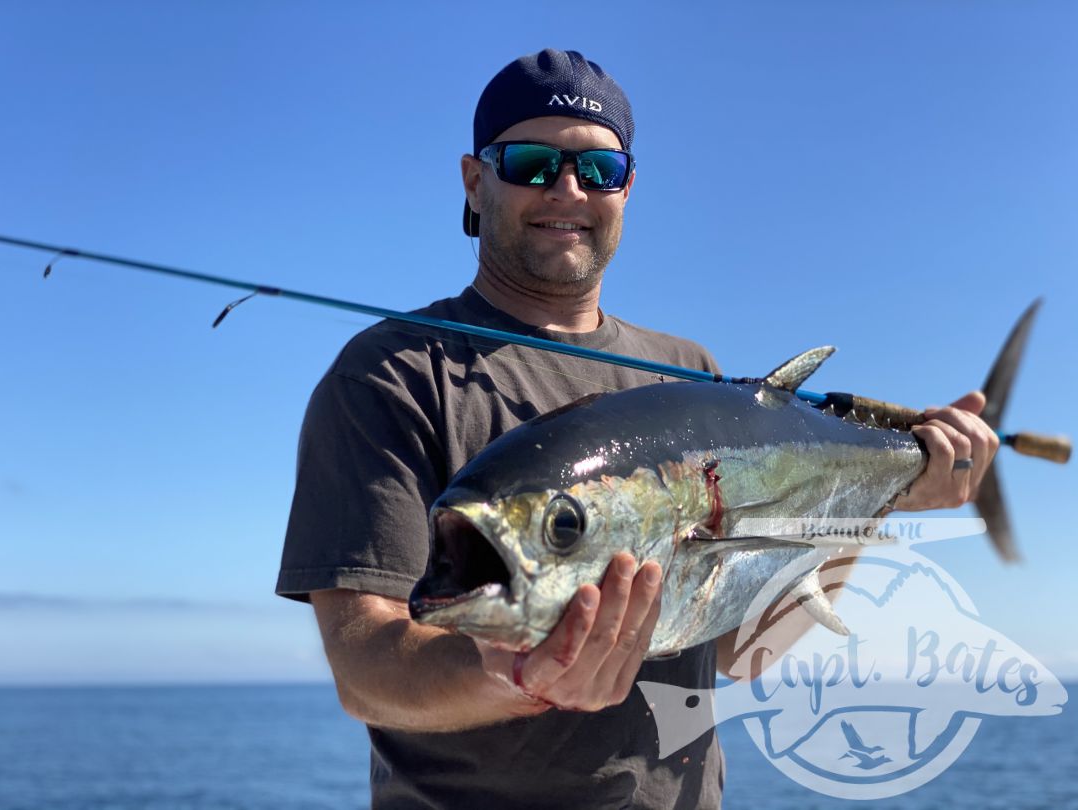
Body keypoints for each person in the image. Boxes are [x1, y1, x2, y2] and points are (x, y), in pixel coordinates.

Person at [276, 49, 999, 809]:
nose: (566, 189)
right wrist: (511, 675)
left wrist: (875, 506)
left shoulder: (690, 372)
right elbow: (366, 667)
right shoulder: (394, 373)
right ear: (472, 180)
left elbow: (741, 651)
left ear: (626, 190)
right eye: (530, 162)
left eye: (598, 170)